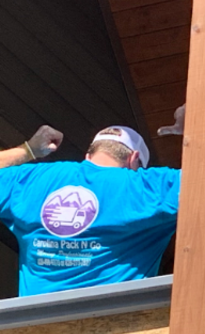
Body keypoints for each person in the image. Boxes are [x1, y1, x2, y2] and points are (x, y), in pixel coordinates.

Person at [0, 124, 180, 296]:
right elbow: (204, 181)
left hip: (34, 323)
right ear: (133, 160)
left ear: (88, 156)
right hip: (116, 323)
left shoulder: (28, 180)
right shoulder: (148, 187)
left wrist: (29, 149)